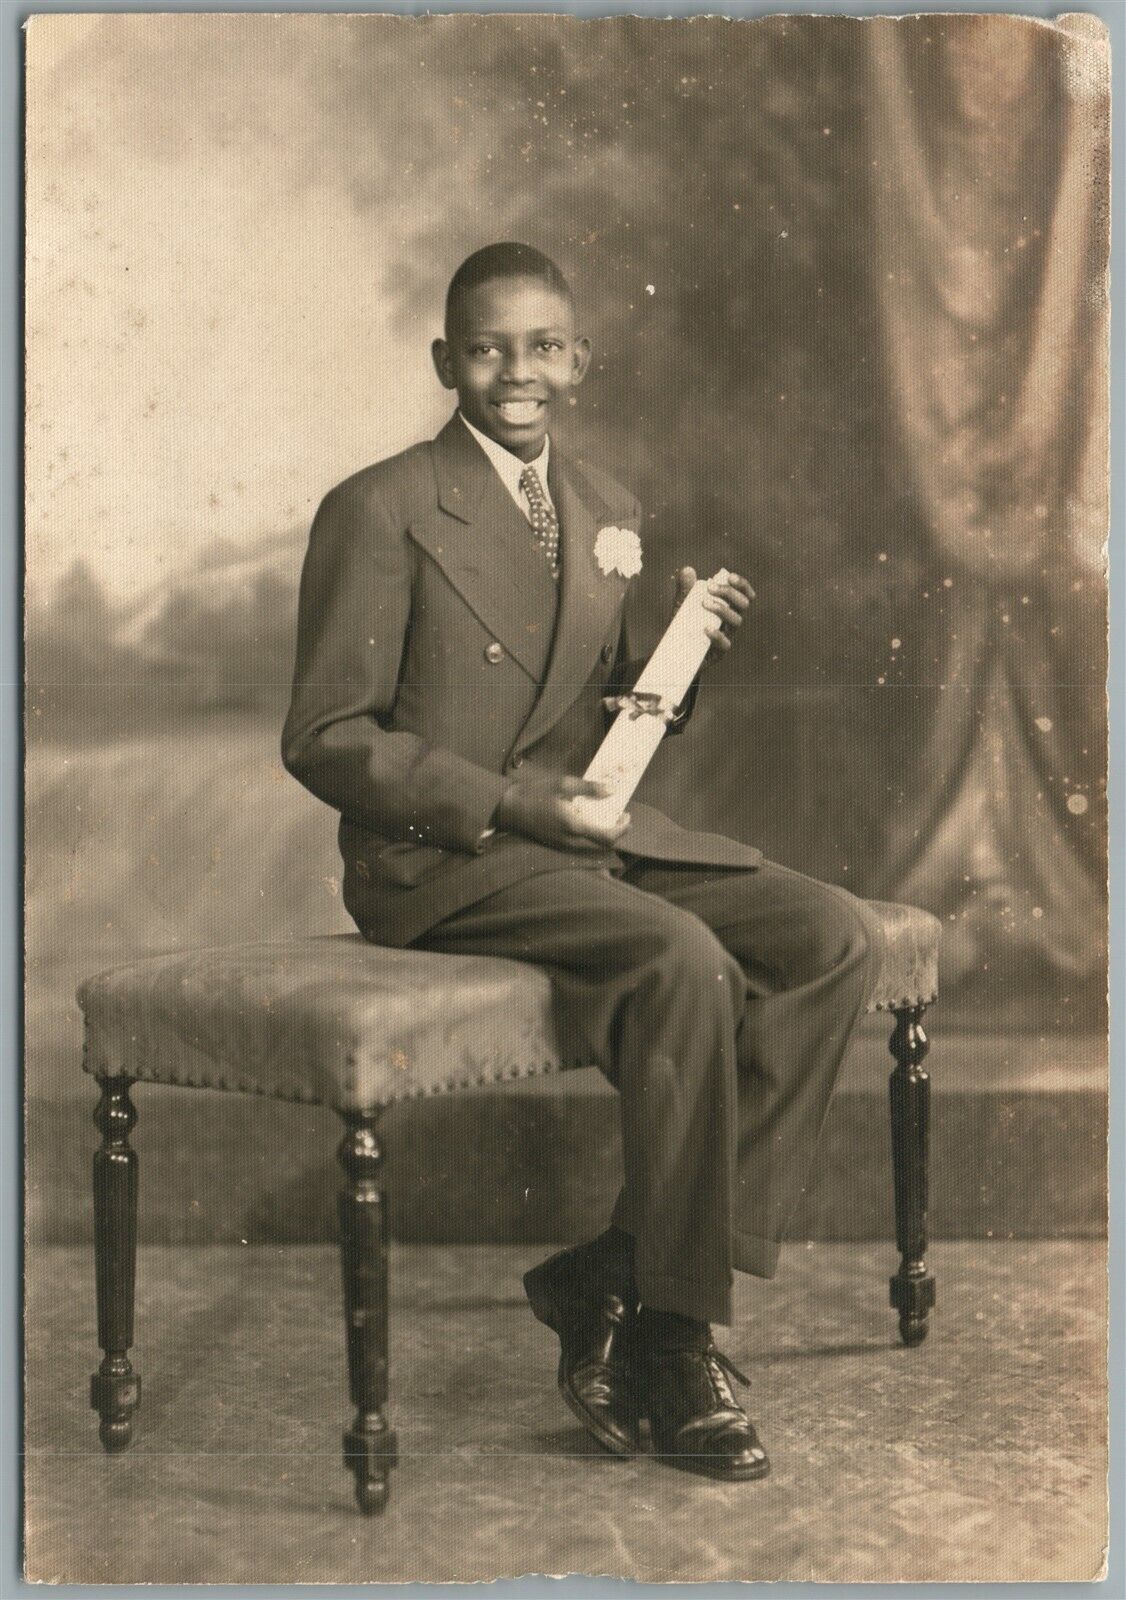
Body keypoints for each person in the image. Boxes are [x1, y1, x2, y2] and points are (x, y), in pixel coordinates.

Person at [282, 242, 884, 1481]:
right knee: (679, 959)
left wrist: (673, 662)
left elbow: (606, 729)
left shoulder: (607, 507)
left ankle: (619, 1270)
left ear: (581, 359)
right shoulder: (381, 504)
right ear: (446, 361)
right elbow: (327, 738)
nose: (520, 370)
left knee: (832, 936)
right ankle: (676, 1332)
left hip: (578, 837)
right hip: (443, 855)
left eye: (544, 344)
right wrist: (510, 802)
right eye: (490, 347)